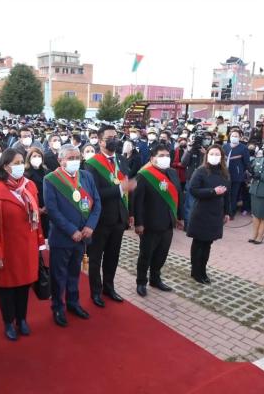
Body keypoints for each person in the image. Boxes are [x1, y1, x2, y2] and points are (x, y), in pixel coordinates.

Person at [0, 148, 45, 340]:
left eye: (21, 162)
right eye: (15, 163)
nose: (19, 166)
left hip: (27, 247)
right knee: (6, 289)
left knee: (24, 286)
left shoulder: (30, 186)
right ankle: (8, 322)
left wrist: (39, 243)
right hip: (7, 249)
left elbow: (37, 219)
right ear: (5, 166)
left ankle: (22, 319)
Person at [44, 144, 101, 327]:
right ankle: (58, 307)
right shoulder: (51, 179)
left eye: (77, 158)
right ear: (61, 161)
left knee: (74, 273)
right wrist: (71, 230)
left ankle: (73, 303)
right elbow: (52, 210)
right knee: (58, 275)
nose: (74, 161)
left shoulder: (87, 176)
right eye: (70, 158)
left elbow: (97, 204)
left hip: (83, 235)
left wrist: (90, 226)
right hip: (62, 237)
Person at [84, 123, 137, 307]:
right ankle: (95, 292)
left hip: (119, 219)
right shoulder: (91, 164)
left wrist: (130, 214)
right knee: (96, 258)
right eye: (109, 138)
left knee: (113, 257)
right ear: (100, 141)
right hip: (100, 220)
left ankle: (109, 287)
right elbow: (94, 194)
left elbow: (127, 189)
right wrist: (119, 189)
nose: (114, 140)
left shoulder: (122, 160)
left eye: (116, 137)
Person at [133, 144, 184, 295]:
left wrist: (180, 217)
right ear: (152, 159)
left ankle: (155, 279)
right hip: (150, 224)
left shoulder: (173, 173)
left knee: (162, 253)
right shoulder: (144, 175)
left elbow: (179, 196)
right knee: (146, 255)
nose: (165, 159)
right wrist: (139, 223)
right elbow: (138, 201)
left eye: (167, 156)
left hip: (168, 222)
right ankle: (141, 282)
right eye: (161, 156)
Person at [187, 145, 230, 284]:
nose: (214, 156)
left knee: (208, 244)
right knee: (199, 242)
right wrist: (212, 191)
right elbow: (193, 190)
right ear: (207, 155)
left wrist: (227, 212)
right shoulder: (201, 171)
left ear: (222, 157)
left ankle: (203, 270)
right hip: (201, 211)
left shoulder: (224, 172)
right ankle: (195, 271)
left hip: (216, 212)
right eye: (212, 153)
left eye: (217, 154)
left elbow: (227, 194)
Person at [222, 129, 250, 218]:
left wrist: (240, 170)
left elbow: (246, 163)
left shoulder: (243, 148)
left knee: (233, 195)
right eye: (232, 136)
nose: (234, 137)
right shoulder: (225, 146)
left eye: (236, 136)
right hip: (224, 174)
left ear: (240, 137)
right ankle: (223, 212)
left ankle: (231, 213)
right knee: (224, 194)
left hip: (236, 176)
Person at [24, 147, 49, 237]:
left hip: (47, 209)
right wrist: (37, 208)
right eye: (34, 156)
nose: (37, 158)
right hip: (33, 209)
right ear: (29, 158)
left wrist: (47, 206)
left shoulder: (46, 171)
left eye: (39, 156)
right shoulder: (25, 174)